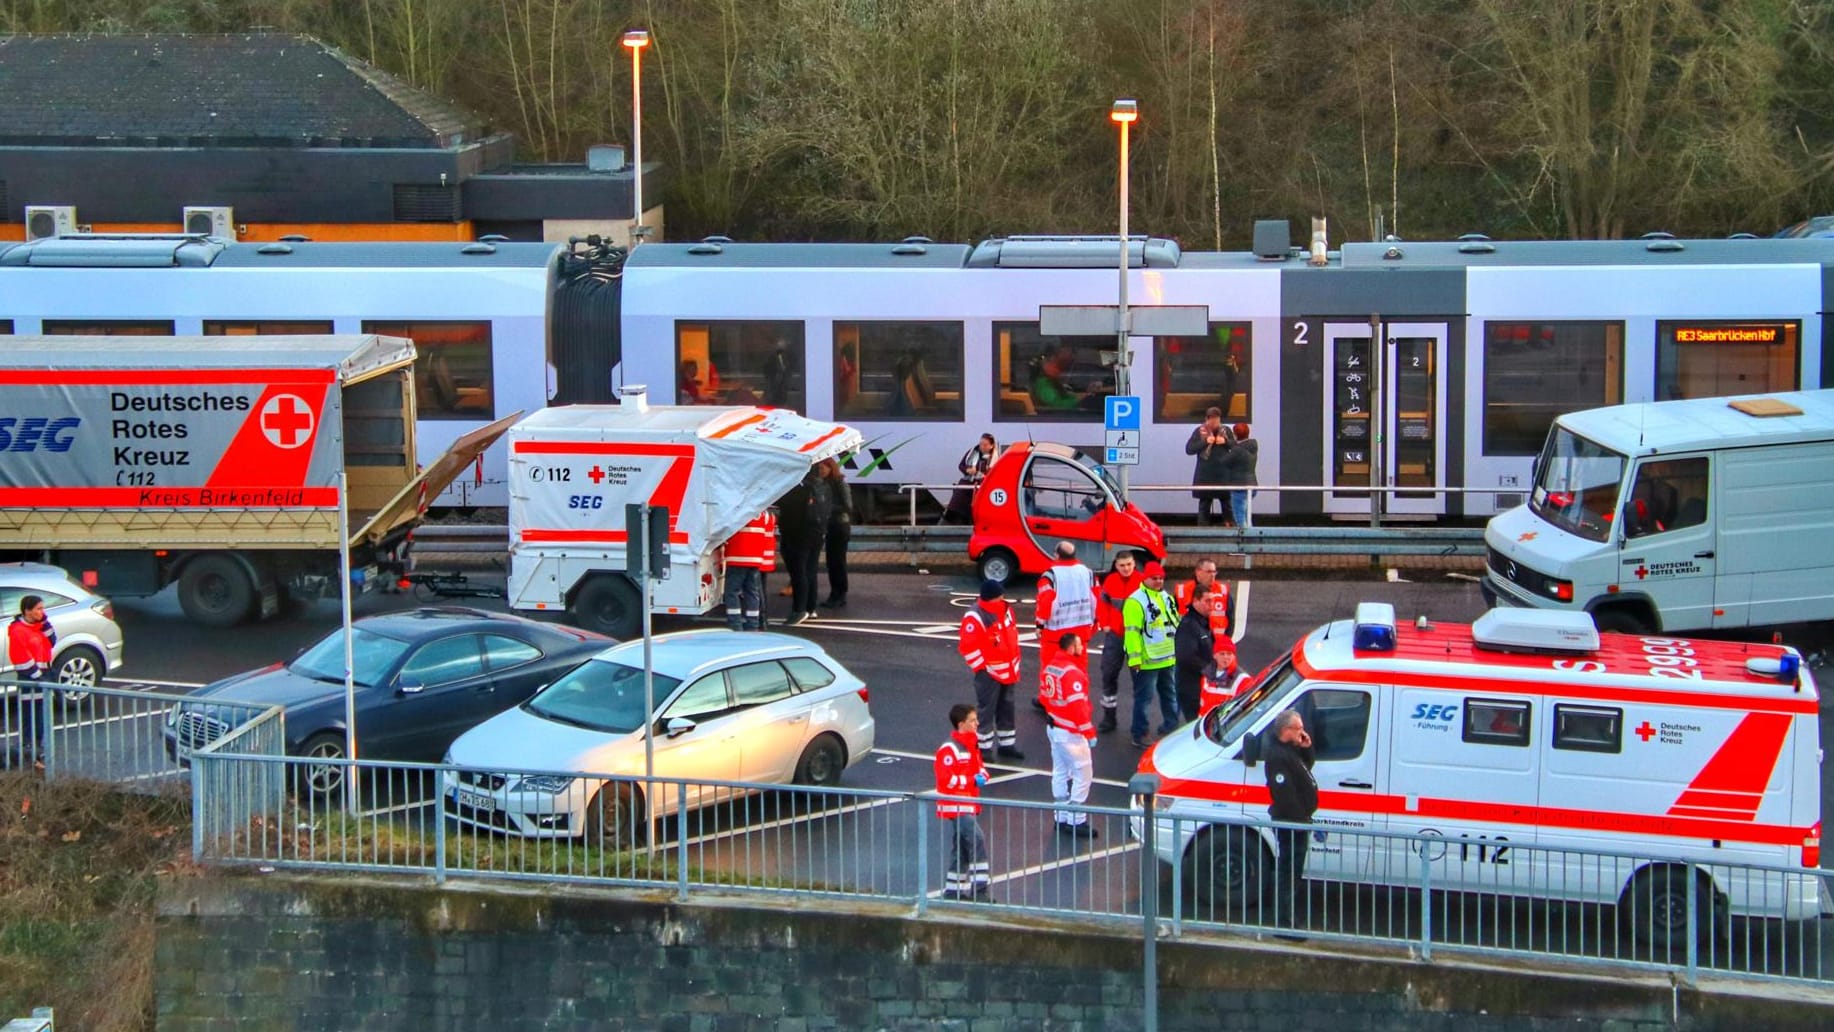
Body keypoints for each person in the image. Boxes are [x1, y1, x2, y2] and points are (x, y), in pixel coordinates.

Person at [1263, 709, 1318, 928]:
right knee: (1288, 873)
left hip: (1298, 822)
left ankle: (1288, 917)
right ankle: (1285, 921)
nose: (1302, 733)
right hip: (1291, 824)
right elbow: (1285, 796)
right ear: (1286, 731)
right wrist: (1301, 819)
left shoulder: (1290, 750)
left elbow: (1305, 768)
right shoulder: (1277, 756)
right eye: (1298, 729)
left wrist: (1307, 747)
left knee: (1293, 873)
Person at [1040, 634, 1098, 838]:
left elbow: (1043, 697)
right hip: (1070, 733)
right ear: (1072, 647)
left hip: (1054, 727)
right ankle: (1076, 820)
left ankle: (1061, 816)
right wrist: (1089, 732)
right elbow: (1078, 707)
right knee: (1083, 774)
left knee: (1060, 772)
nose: (1082, 647)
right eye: (1080, 644)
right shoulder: (1071, 673)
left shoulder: (1050, 667)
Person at [957, 579, 1022, 760]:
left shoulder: (1006, 610)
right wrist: (982, 669)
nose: (1003, 597)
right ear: (992, 597)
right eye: (1000, 595)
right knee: (987, 710)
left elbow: (1011, 635)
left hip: (1008, 670)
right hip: (990, 673)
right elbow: (968, 647)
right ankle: (984, 748)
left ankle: (1007, 745)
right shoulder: (975, 616)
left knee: (1007, 708)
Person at [934, 704, 992, 901]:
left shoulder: (970, 744)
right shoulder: (949, 749)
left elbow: (980, 768)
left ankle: (953, 891)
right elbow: (946, 780)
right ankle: (980, 890)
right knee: (977, 840)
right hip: (956, 806)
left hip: (966, 804)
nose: (977, 723)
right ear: (961, 724)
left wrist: (982, 776)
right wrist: (971, 781)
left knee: (962, 848)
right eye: (972, 720)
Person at [1122, 561, 1179, 748]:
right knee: (1144, 699)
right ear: (1144, 578)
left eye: (1161, 578)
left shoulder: (1165, 597)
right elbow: (1132, 632)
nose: (1158, 581)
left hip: (1167, 657)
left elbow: (1174, 622)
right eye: (1154, 578)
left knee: (1169, 694)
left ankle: (1171, 726)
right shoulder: (1135, 601)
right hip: (1147, 661)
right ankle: (1140, 733)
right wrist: (1135, 659)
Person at [1032, 540, 1097, 684]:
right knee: (1079, 667)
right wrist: (1095, 622)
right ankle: (1078, 695)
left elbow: (1045, 602)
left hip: (1055, 632)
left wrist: (1040, 625)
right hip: (1082, 630)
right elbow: (1097, 598)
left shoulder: (1050, 576)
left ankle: (1050, 699)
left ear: (1056, 555)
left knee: (1052, 668)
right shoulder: (1088, 573)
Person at [1093, 552, 1142, 733]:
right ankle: (1109, 718)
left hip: (1136, 638)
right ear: (1116, 565)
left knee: (1140, 681)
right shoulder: (1111, 581)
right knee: (1108, 675)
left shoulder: (1142, 582)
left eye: (1129, 564)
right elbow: (1102, 604)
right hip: (1115, 636)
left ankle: (1138, 725)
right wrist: (1104, 624)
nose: (1126, 568)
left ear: (1134, 563)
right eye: (1122, 565)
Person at [775, 467, 831, 626]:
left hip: (797, 535)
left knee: (798, 572)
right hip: (817, 533)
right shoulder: (823, 487)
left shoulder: (797, 489)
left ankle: (799, 610)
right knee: (810, 571)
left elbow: (782, 503)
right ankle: (811, 608)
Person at [7, 595, 55, 768]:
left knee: (42, 720)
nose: (42, 612)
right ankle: (30, 757)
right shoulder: (18, 631)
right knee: (31, 720)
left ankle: (39, 756)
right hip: (31, 681)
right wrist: (39, 677)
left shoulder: (38, 627)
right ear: (27, 611)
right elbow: (21, 658)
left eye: (43, 608)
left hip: (43, 677)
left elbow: (52, 641)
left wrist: (45, 623)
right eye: (39, 609)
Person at [722, 508, 777, 631]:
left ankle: (735, 624)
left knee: (732, 592)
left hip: (737, 556)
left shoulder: (737, 510)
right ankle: (753, 624)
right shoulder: (763, 514)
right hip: (755, 558)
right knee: (752, 592)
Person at [1173, 584, 1217, 721]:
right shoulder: (1189, 625)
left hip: (1200, 685)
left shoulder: (1202, 623)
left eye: (1213, 601)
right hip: (1191, 688)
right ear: (1195, 601)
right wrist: (1209, 670)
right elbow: (1185, 656)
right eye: (1207, 601)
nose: (1211, 605)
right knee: (1195, 724)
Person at [1185, 407, 1233, 525]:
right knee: (1204, 505)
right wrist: (1205, 441)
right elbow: (1189, 449)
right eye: (1212, 419)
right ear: (1207, 419)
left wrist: (1226, 442)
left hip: (1224, 474)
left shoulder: (1226, 431)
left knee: (1227, 505)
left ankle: (1230, 529)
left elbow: (1236, 446)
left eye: (1217, 419)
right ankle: (1202, 531)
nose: (1215, 422)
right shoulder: (1199, 431)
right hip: (1205, 475)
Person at [1173, 557, 1234, 647]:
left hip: (1217, 646)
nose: (1212, 575)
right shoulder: (1182, 592)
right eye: (1209, 572)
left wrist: (1224, 645)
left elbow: (1230, 620)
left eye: (1214, 572)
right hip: (1190, 645)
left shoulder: (1223, 592)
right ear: (1198, 572)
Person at [819, 458, 852, 608]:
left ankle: (840, 594)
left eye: (823, 468)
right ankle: (834, 593)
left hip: (840, 525)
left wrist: (826, 508)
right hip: (831, 526)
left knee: (838, 561)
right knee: (832, 562)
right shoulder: (824, 484)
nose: (821, 472)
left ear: (830, 468)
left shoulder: (839, 483)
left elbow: (848, 506)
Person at [942, 434, 996, 525]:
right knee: (956, 507)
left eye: (985, 445)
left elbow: (993, 474)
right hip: (966, 485)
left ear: (991, 446)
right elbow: (961, 466)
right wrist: (968, 470)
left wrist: (982, 475)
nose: (982, 447)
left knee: (976, 512)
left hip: (981, 488)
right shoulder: (972, 452)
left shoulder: (994, 458)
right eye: (981, 444)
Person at [1220, 422, 1259, 529]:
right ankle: (1251, 536)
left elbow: (1224, 461)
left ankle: (1245, 540)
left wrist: (1225, 444)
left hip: (1239, 486)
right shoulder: (1253, 445)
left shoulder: (1236, 450)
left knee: (1240, 517)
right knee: (1247, 514)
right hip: (1252, 485)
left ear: (1235, 435)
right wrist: (1228, 442)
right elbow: (1240, 445)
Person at [1029, 346, 1086, 412]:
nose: (1057, 370)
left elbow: (1065, 396)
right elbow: (1057, 405)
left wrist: (1085, 395)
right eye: (1054, 364)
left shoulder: (1052, 381)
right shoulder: (1042, 384)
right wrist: (1079, 399)